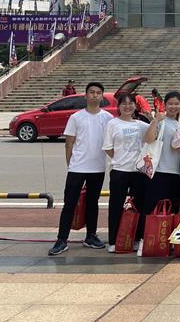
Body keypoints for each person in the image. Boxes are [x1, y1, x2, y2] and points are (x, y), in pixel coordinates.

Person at [48, 82, 113, 255]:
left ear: (102, 96)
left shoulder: (108, 118)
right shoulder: (76, 117)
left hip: (97, 168)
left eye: (98, 92)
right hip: (77, 167)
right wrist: (71, 165)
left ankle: (91, 236)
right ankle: (62, 239)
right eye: (91, 92)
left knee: (93, 203)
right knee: (70, 203)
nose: (95, 95)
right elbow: (68, 144)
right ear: (86, 95)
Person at [102, 93, 149, 252]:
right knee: (116, 205)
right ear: (119, 106)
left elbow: (154, 135)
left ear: (135, 106)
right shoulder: (113, 124)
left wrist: (155, 119)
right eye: (124, 104)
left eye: (131, 103)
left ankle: (135, 239)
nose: (127, 106)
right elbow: (108, 148)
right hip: (119, 171)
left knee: (138, 206)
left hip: (138, 172)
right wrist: (120, 158)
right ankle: (113, 241)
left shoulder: (141, 125)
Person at [140, 91, 180, 255]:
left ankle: (166, 242)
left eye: (176, 103)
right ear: (165, 105)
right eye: (170, 103)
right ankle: (145, 241)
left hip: (175, 173)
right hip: (158, 171)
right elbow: (148, 139)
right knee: (151, 208)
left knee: (171, 209)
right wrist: (155, 121)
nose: (173, 106)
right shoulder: (161, 121)